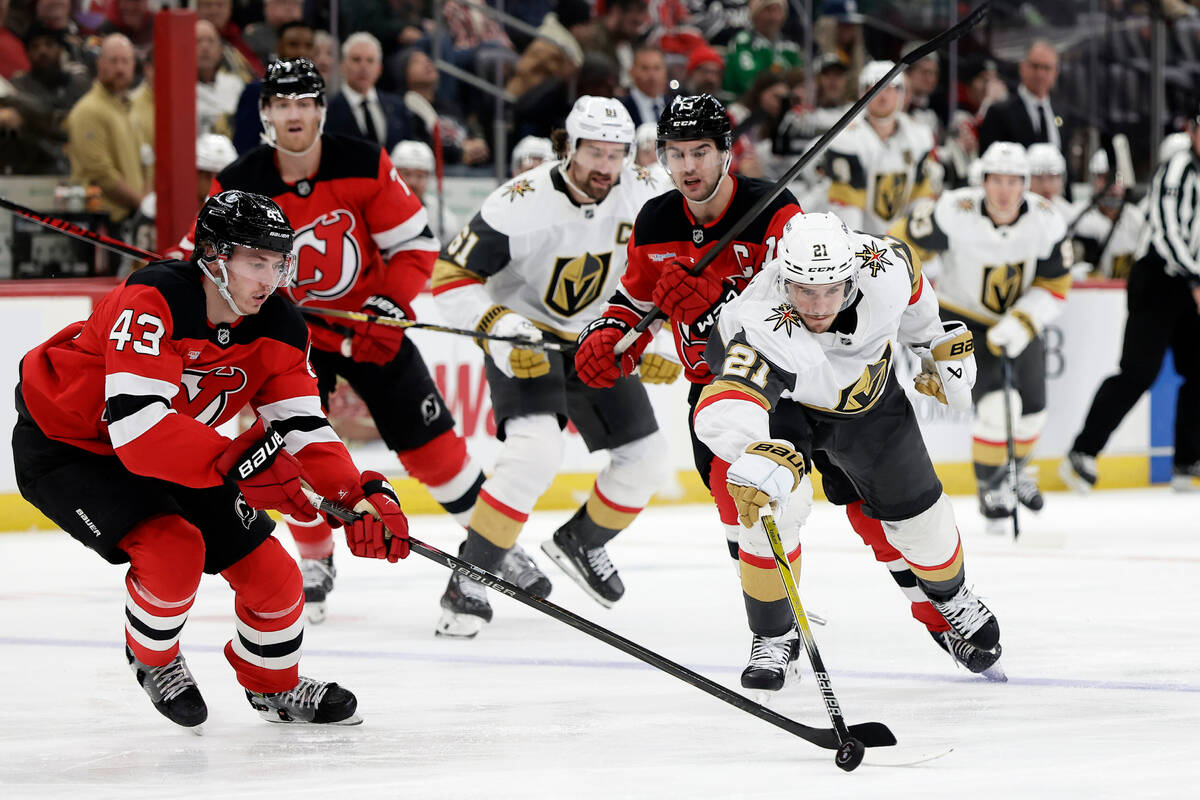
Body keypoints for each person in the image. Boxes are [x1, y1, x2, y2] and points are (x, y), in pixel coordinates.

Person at [11, 190, 410, 730]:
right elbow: (138, 429)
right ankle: (153, 659)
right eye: (255, 262)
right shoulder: (152, 299)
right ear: (215, 256)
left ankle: (273, 684)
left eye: (277, 263)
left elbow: (303, 428)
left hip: (181, 447)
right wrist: (243, 461)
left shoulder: (282, 326)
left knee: (276, 578)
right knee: (173, 552)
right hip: (70, 447)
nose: (268, 279)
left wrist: (356, 495)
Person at [177, 59, 485, 622]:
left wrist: (390, 305)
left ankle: (490, 546)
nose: (293, 114)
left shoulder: (364, 162)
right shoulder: (240, 180)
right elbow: (199, 261)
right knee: (287, 447)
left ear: (320, 109)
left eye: (304, 103)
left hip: (368, 328)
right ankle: (314, 556)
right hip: (288, 340)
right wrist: (181, 267)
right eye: (281, 104)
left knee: (435, 449)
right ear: (265, 112)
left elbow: (415, 244)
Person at [692, 211, 1002, 693]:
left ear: (854, 273)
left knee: (924, 522)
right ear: (783, 277)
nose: (818, 306)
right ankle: (773, 636)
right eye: (804, 291)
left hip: (871, 406)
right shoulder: (758, 318)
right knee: (772, 504)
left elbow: (918, 305)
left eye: (831, 290)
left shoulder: (889, 265)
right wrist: (751, 450)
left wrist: (932, 346)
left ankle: (952, 596)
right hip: (787, 409)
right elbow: (727, 398)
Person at [429, 96, 674, 636]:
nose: (604, 168)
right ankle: (468, 580)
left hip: (601, 340)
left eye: (617, 154)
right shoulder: (518, 202)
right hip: (527, 339)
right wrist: (495, 325)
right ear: (568, 146)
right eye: (593, 152)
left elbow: (675, 276)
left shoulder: (648, 194)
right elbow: (449, 276)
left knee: (649, 459)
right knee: (535, 455)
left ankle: (581, 542)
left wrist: (657, 339)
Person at [573, 93, 801, 573]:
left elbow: (796, 311)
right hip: (707, 386)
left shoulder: (774, 210)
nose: (687, 166)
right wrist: (609, 335)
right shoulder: (655, 220)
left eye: (699, 151)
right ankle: (772, 610)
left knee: (786, 495)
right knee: (733, 505)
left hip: (778, 383)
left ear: (725, 151)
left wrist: (717, 303)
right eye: (675, 153)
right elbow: (635, 303)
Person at [890, 142, 1071, 531]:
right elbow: (898, 246)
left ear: (1025, 184)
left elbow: (1056, 283)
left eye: (1013, 181)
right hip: (964, 320)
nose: (1004, 191)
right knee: (995, 410)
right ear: (982, 181)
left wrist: (1024, 320)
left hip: (1018, 321)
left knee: (1034, 413)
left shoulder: (1046, 220)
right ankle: (991, 488)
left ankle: (1014, 472)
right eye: (996, 180)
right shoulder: (954, 211)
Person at [1061, 111, 1200, 493]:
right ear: (1192, 131)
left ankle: (1188, 461)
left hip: (1191, 283)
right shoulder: (1177, 170)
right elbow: (1169, 233)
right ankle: (1082, 451)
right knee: (1139, 371)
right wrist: (1196, 279)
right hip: (1159, 279)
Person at [825, 60, 937, 236]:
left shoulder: (919, 136)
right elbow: (848, 208)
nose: (882, 95)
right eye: (874, 88)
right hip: (861, 240)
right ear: (863, 92)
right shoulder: (845, 137)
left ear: (901, 94)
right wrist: (856, 249)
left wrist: (915, 239)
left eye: (889, 88)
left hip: (900, 238)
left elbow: (920, 197)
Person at [64, 33, 145, 224]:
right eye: (113, 61)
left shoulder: (128, 107)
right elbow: (101, 174)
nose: (120, 68)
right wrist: (142, 204)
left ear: (133, 65)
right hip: (100, 221)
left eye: (125, 61)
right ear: (100, 63)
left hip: (129, 217)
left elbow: (145, 160)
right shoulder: (89, 110)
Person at [325, 32, 410, 151]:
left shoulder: (398, 107)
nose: (363, 67)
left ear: (380, 68)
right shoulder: (328, 111)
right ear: (343, 65)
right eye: (356, 59)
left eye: (370, 60)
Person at [978, 41, 1062, 154]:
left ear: (1056, 73)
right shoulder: (1000, 112)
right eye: (1035, 66)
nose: (1040, 74)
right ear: (1022, 67)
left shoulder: (1062, 113)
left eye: (1046, 68)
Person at [389, 138, 460, 239]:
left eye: (420, 176)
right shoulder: (376, 211)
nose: (412, 182)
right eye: (406, 174)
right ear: (393, 174)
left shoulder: (443, 219)